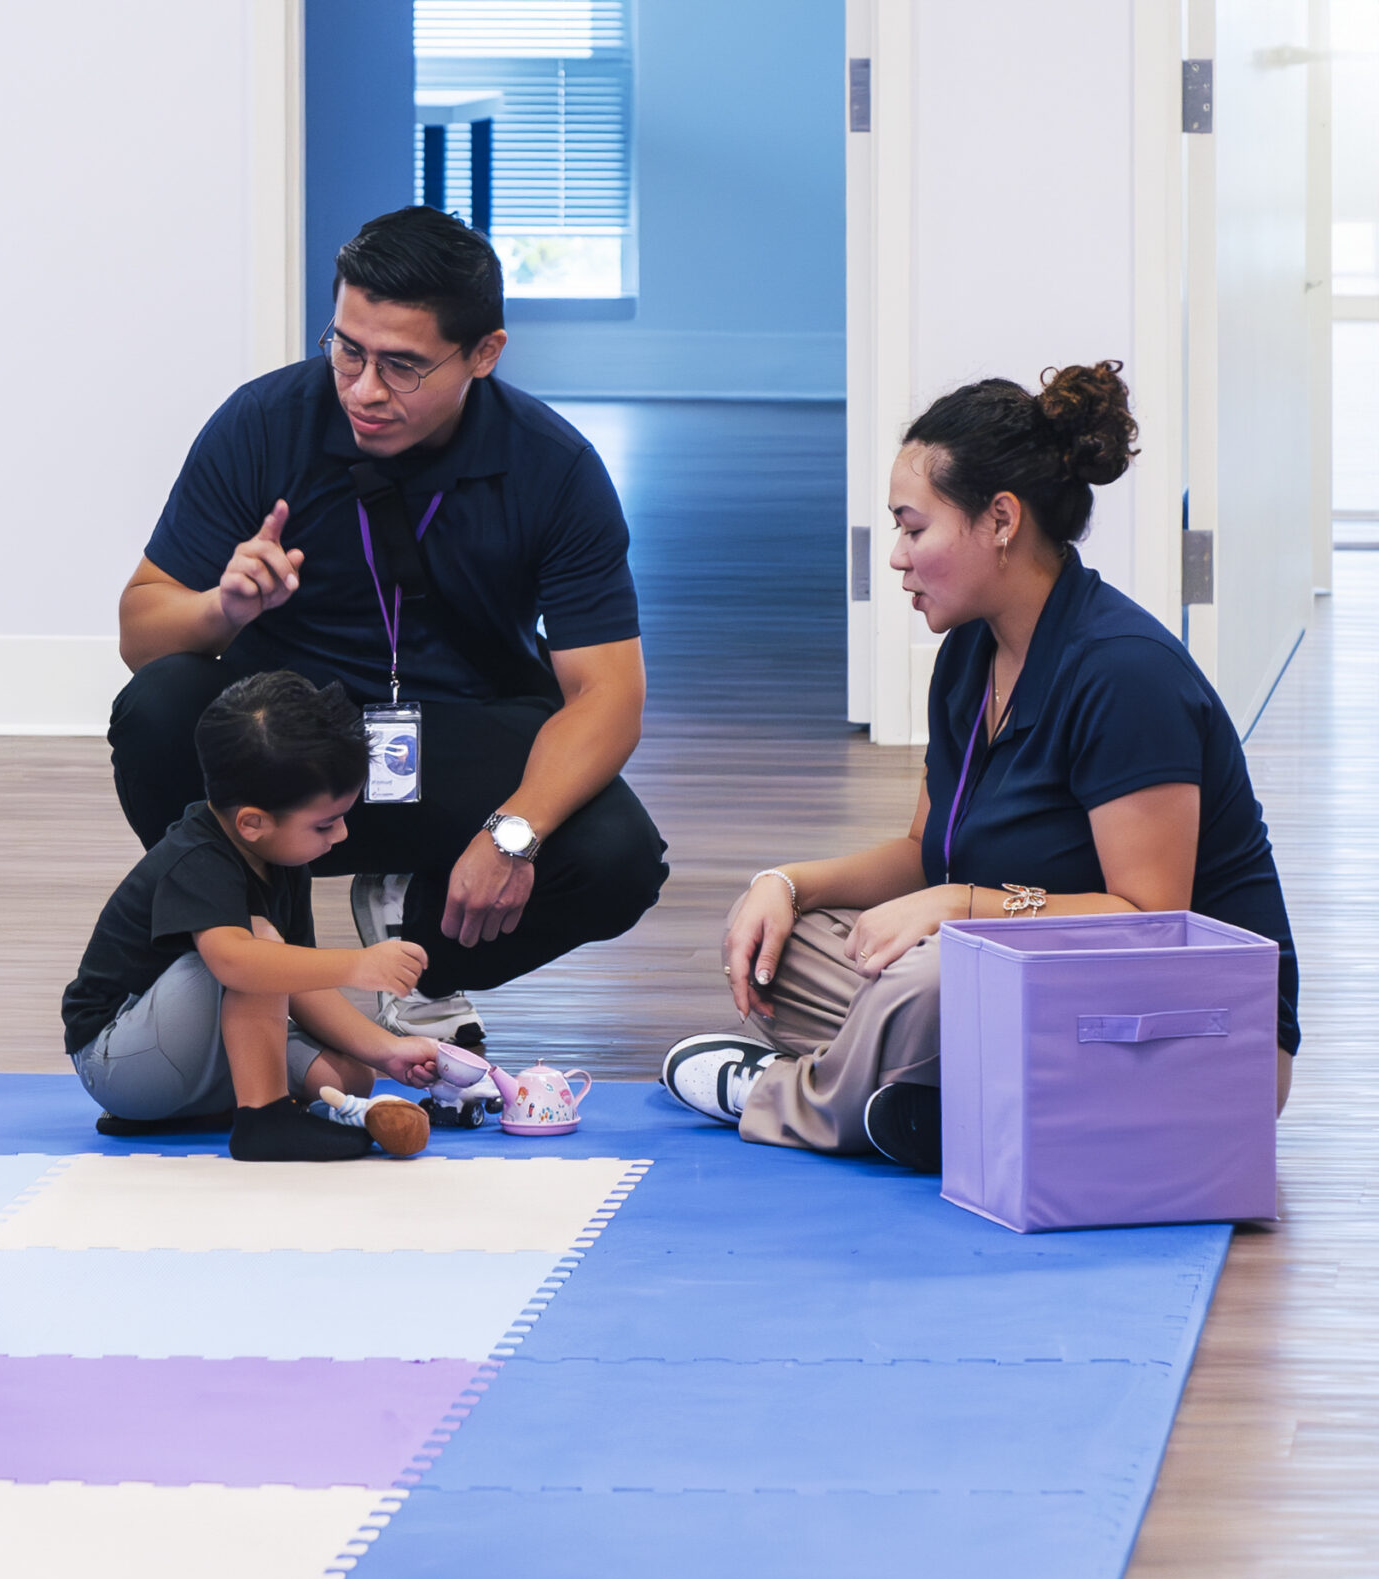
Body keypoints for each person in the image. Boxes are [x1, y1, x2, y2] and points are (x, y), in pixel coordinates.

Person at [662, 363, 1300, 1166]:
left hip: (1190, 1037)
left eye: (914, 527)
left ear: (1000, 519)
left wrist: (962, 906)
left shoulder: (1125, 673)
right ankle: (928, 1095)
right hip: (1033, 987)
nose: (895, 556)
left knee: (932, 982)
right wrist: (786, 883)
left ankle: (791, 1097)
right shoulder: (971, 652)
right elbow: (921, 854)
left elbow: (1148, 922)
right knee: (785, 951)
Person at [109, 205, 669, 1053]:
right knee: (158, 707)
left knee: (617, 854)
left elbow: (609, 695)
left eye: (403, 366)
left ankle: (418, 964)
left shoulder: (553, 468)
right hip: (292, 732)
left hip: (454, 734)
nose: (365, 389)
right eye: (347, 349)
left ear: (485, 353)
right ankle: (260, 948)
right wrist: (220, 608)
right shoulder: (265, 423)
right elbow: (141, 633)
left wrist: (510, 831)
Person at [63, 671, 447, 1162]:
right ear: (252, 822)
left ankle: (215, 1110)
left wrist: (386, 1050)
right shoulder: (197, 855)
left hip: (182, 1049)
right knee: (256, 944)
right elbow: (238, 965)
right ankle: (263, 1121)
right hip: (118, 1059)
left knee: (350, 1078)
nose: (343, 835)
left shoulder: (281, 859)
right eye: (326, 823)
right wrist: (357, 964)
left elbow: (299, 980)